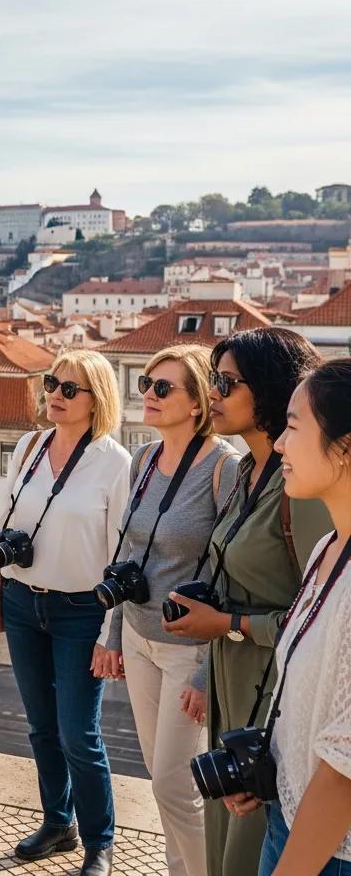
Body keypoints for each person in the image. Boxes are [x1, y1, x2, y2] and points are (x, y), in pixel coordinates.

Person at [161, 328, 332, 876]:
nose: (213, 392)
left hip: (275, 691)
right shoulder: (242, 471)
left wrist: (228, 623)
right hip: (231, 681)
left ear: (270, 391)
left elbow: (319, 622)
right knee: (222, 839)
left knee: (247, 847)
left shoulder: (301, 493)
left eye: (226, 382)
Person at [0, 349, 131, 876]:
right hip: (21, 602)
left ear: (97, 400)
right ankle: (57, 822)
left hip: (81, 612)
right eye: (51, 384)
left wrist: (112, 634)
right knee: (41, 727)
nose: (55, 396)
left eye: (70, 389)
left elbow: (119, 557)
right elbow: (3, 518)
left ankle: (99, 843)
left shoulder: (116, 464)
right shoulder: (29, 446)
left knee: (77, 734)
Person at [104, 345, 239, 876]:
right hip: (138, 636)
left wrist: (207, 672)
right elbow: (129, 554)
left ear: (200, 400)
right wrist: (113, 635)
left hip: (189, 650)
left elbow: (229, 572)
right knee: (164, 782)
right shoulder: (141, 460)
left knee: (173, 782)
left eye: (164, 388)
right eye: (146, 385)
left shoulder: (223, 468)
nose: (149, 396)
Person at [225, 359, 351, 875]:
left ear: (344, 448)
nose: (278, 445)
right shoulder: (328, 547)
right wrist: (271, 769)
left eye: (294, 427)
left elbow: (345, 767)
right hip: (290, 818)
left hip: (331, 852)